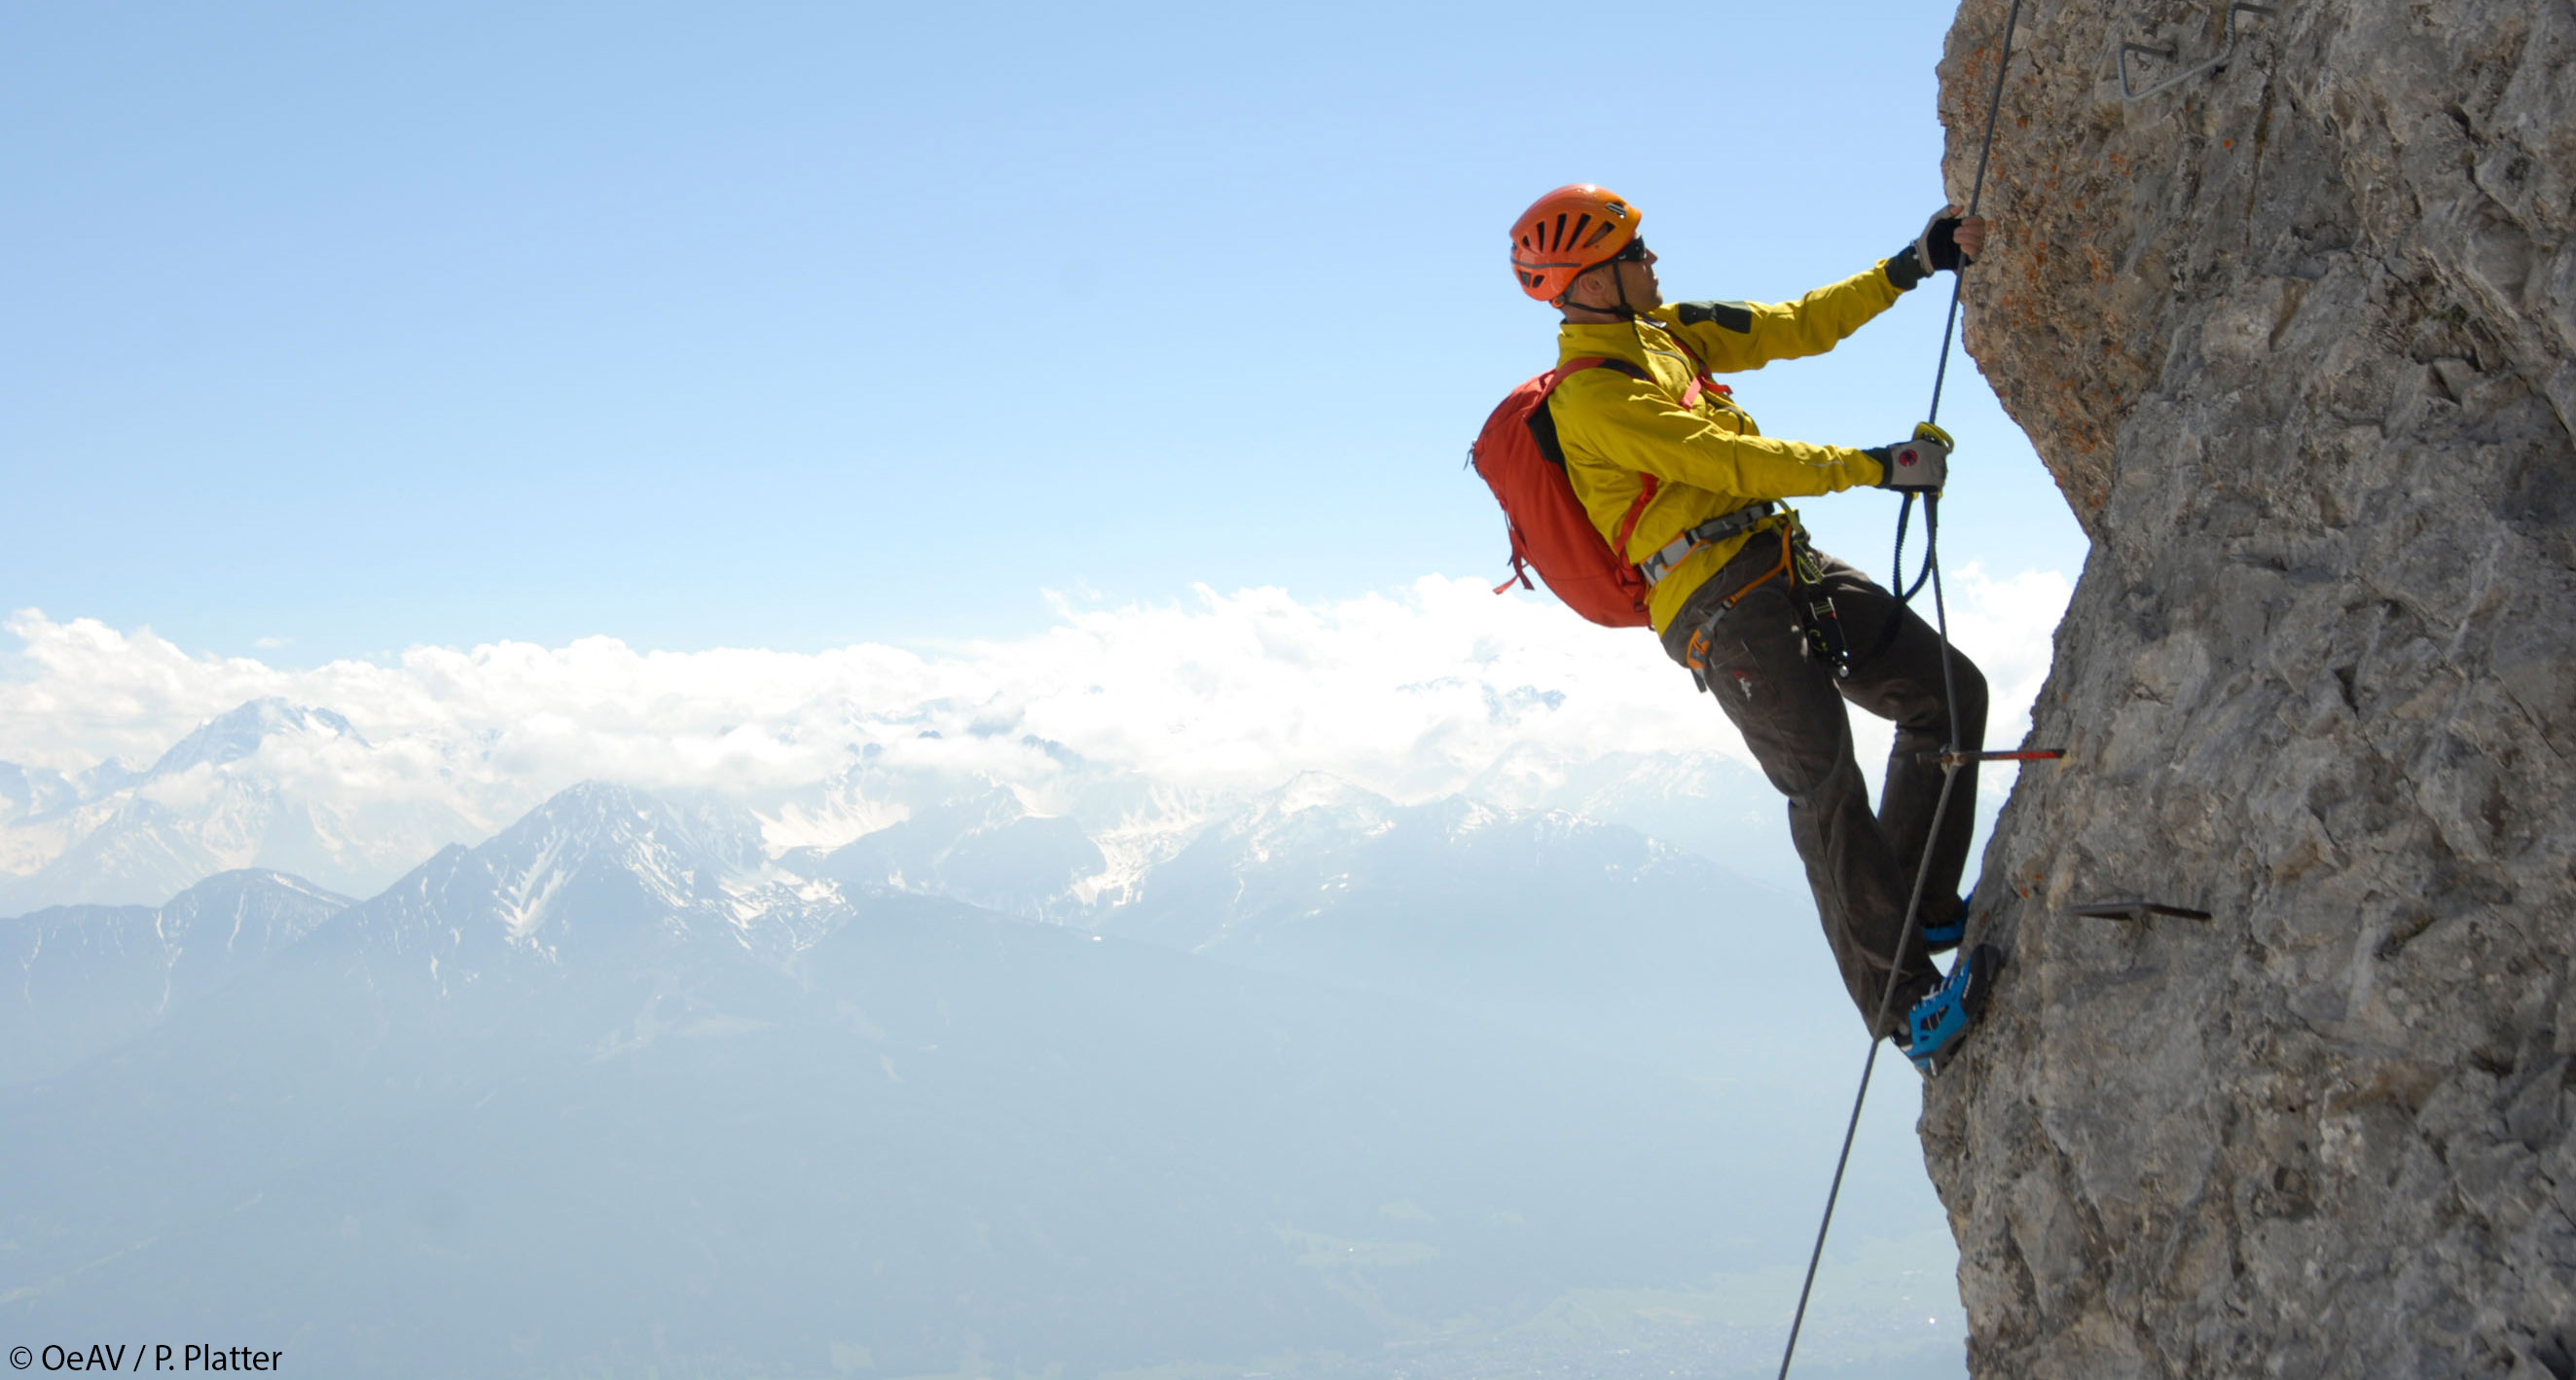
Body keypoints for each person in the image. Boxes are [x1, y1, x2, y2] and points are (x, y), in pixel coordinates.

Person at [1507, 183, 1999, 1072]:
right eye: (1631, 254)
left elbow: (1792, 324)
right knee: (1822, 785)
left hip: (1777, 562)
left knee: (1946, 694)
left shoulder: (1667, 333)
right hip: (1717, 606)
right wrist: (1873, 467)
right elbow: (1724, 460)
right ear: (1585, 283)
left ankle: (1923, 898)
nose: (1651, 262)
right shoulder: (1594, 399)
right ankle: (1903, 1003)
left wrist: (1910, 266)